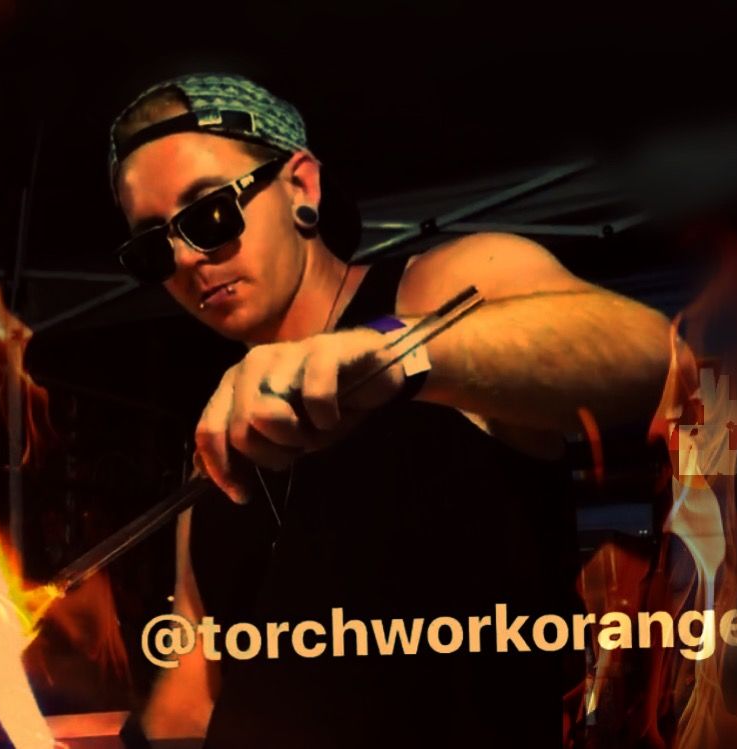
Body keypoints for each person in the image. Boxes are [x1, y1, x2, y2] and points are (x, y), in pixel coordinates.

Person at [107, 73, 671, 748]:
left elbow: (649, 357)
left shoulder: (437, 289)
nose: (186, 258)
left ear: (301, 186)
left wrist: (392, 354)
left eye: (209, 213)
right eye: (153, 246)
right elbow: (192, 698)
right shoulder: (215, 450)